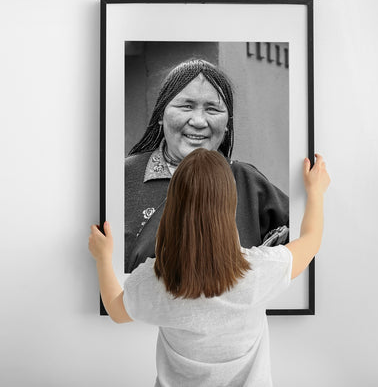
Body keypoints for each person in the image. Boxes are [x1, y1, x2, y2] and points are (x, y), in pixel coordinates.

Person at [89, 149, 330, 386]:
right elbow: (311, 240)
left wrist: (103, 257)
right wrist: (315, 192)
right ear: (231, 206)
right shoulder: (260, 272)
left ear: (171, 207)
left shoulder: (155, 282)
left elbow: (116, 310)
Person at [125, 58, 290, 273]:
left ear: (227, 124)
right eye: (186, 106)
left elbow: (305, 242)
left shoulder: (246, 181)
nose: (199, 121)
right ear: (160, 116)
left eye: (212, 109)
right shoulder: (123, 177)